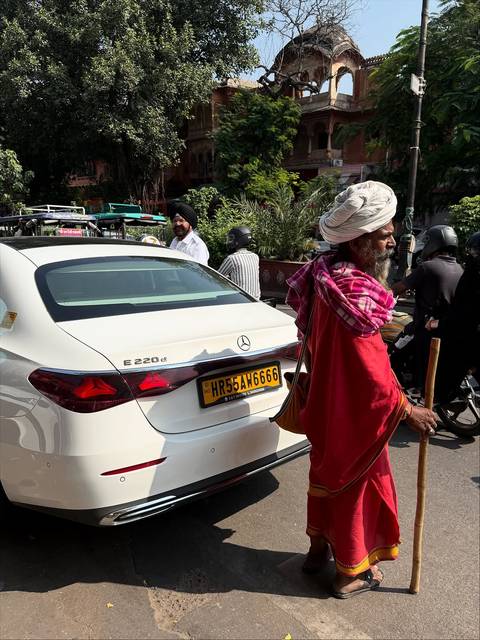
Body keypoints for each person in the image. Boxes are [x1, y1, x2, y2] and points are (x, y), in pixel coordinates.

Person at [286, 181, 436, 599]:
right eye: (385, 234)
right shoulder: (357, 293)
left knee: (324, 479)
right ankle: (350, 573)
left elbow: (310, 339)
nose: (392, 241)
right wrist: (409, 410)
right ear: (360, 241)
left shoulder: (319, 277)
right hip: (353, 417)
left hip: (323, 407)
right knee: (357, 488)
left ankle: (317, 553)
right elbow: (373, 371)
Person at [392, 225, 463, 390]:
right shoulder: (459, 268)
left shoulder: (427, 267)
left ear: (433, 244)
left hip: (422, 330)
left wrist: (377, 294)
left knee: (392, 353)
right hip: (446, 330)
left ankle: (400, 395)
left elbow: (396, 289)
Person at [435, 230, 480, 401]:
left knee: (450, 354)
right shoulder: (461, 269)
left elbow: (463, 313)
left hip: (466, 334)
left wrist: (441, 323)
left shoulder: (471, 276)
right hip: (467, 328)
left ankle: (443, 396)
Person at [217, 226, 261, 299]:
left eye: (231, 239)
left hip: (240, 299)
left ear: (238, 241)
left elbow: (218, 277)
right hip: (256, 299)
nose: (229, 241)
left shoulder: (232, 258)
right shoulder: (255, 257)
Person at [168, 201, 209, 265]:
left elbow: (199, 272)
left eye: (181, 221)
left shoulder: (197, 246)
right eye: (174, 221)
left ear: (190, 224)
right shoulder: (174, 241)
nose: (177, 224)